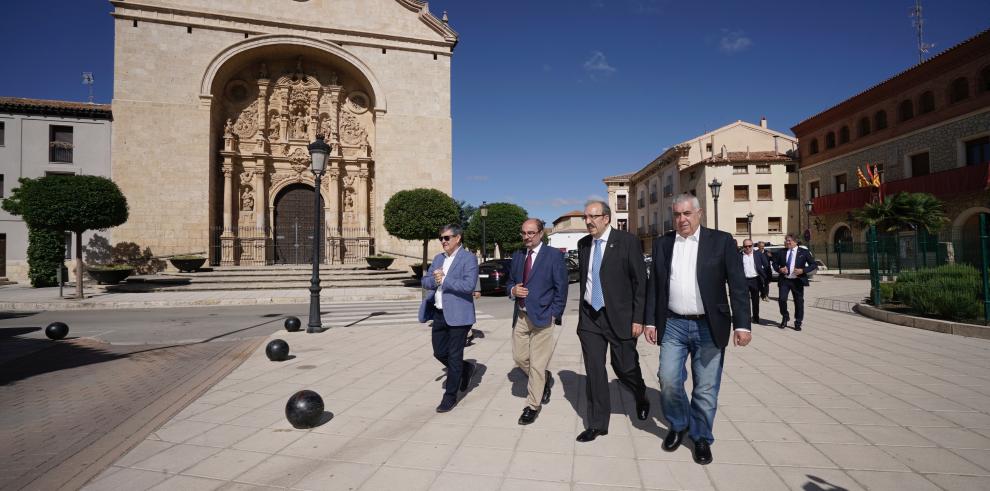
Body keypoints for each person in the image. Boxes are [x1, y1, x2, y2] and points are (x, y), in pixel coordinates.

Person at [644, 194, 751, 465]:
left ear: (699, 213)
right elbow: (654, 285)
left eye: (687, 214)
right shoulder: (663, 244)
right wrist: (650, 321)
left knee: (705, 387)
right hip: (673, 324)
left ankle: (701, 436)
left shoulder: (721, 241)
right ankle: (679, 425)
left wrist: (742, 324)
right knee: (668, 378)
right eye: (677, 214)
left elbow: (737, 285)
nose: (682, 220)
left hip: (709, 325)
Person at [575, 200, 650, 443]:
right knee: (594, 370)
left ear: (606, 218)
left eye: (593, 217)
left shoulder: (627, 242)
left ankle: (640, 392)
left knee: (624, 366)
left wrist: (639, 318)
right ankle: (597, 423)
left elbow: (640, 283)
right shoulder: (583, 244)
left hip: (620, 317)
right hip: (590, 317)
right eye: (586, 217)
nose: (588, 221)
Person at [507, 219, 569, 425]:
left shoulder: (554, 256)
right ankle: (543, 378)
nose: (527, 237)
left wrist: (555, 313)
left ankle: (532, 405)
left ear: (541, 233)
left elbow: (562, 287)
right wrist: (513, 290)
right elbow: (510, 281)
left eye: (531, 233)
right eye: (524, 233)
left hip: (544, 317)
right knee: (519, 358)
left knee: (537, 365)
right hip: (522, 316)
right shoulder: (517, 256)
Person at [418, 224, 479, 413]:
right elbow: (425, 281)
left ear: (458, 238)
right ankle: (465, 368)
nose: (443, 241)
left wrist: (444, 280)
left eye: (447, 238)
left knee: (453, 355)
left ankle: (450, 397)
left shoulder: (468, 258)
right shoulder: (438, 258)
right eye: (441, 238)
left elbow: (469, 285)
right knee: (439, 352)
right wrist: (434, 279)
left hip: (459, 315)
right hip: (439, 313)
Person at [771, 234, 817, 331]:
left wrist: (803, 270)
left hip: (797, 281)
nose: (787, 242)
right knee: (782, 300)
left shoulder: (804, 252)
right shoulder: (781, 252)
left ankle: (798, 322)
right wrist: (780, 269)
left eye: (789, 240)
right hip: (785, 280)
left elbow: (813, 265)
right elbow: (774, 263)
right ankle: (785, 316)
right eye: (786, 240)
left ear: (795, 242)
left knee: (799, 302)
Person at [741, 239, 770, 324]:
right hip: (744, 281)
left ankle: (756, 317)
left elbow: (766, 265)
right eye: (745, 246)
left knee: (755, 300)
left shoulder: (758, 254)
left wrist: (766, 278)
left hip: (755, 280)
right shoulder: (739, 255)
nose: (748, 248)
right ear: (743, 247)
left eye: (749, 246)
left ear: (752, 245)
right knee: (744, 301)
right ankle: (746, 318)